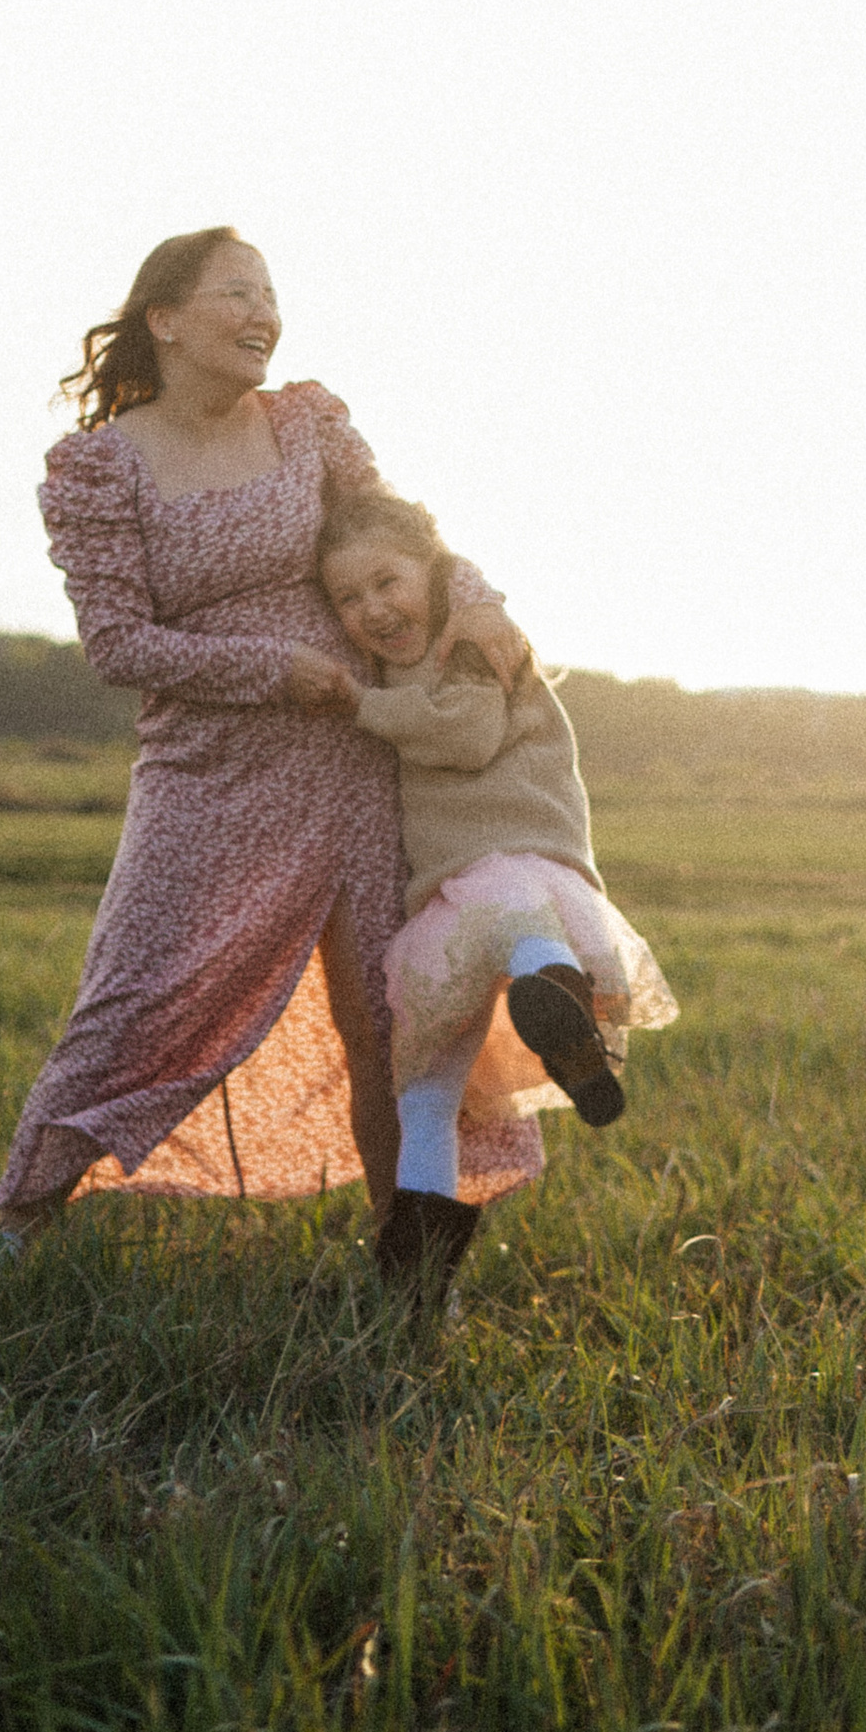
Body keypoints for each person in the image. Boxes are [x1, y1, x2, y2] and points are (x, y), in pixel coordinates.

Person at [0, 226, 537, 1273]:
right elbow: (120, 642)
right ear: (166, 317)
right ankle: (14, 1227)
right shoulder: (97, 467)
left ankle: (410, 1255)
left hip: (358, 762)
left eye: (272, 293)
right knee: (133, 999)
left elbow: (403, 533)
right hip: (207, 775)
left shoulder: (308, 421)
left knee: (391, 1010)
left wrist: (484, 598)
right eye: (237, 291)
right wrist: (272, 671)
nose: (264, 312)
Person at [287, 489, 677, 1296]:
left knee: (512, 911)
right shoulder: (392, 664)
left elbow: (465, 736)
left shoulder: (472, 644)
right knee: (425, 1087)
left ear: (437, 572)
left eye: (387, 582)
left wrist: (359, 705)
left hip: (521, 865)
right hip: (451, 901)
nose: (373, 609)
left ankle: (556, 995)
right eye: (349, 599)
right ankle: (418, 1276)